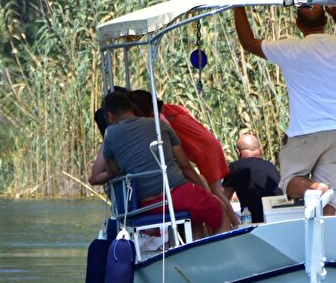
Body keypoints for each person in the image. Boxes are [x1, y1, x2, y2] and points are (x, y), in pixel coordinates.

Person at [233, 4, 336, 214]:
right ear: (326, 21)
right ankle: (326, 211)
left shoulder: (290, 48)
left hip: (306, 131)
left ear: (298, 24)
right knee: (331, 197)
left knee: (289, 182)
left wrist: (239, 8)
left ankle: (320, 190)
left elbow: (248, 43)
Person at [88, 91, 231, 238]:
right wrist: (204, 191)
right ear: (130, 107)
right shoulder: (160, 125)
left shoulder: (110, 134)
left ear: (109, 115)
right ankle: (223, 247)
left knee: (196, 215)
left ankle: (194, 244)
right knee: (219, 210)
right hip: (176, 194)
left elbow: (111, 171)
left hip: (143, 206)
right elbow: (186, 167)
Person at [128, 90, 241, 227]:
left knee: (214, 192)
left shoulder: (160, 119)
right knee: (212, 191)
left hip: (204, 151)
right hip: (208, 146)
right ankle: (225, 224)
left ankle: (235, 224)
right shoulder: (175, 109)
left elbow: (170, 139)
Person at [221, 133, 281, 223]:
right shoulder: (271, 166)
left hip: (253, 221)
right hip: (279, 217)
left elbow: (223, 200)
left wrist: (235, 223)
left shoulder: (235, 167)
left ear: (238, 152)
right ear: (260, 150)